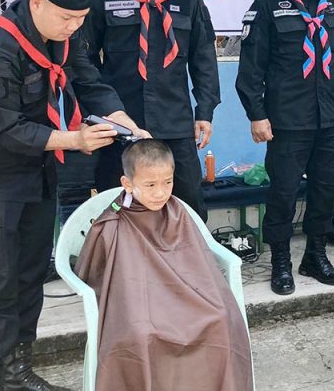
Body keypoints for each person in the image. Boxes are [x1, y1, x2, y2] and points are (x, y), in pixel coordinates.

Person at [0, 0, 149, 391]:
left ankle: (18, 372)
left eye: (81, 19)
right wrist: (75, 140)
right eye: (66, 18)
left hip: (38, 174)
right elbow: (6, 130)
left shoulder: (63, 36)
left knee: (29, 277)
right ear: (36, 2)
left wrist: (123, 120)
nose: (74, 27)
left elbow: (88, 81)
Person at [236, 0, 334, 296]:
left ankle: (315, 255)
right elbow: (251, 69)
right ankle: (281, 261)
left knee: (326, 189)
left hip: (329, 119)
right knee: (283, 191)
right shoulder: (267, 6)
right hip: (286, 122)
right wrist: (256, 114)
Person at [74, 140, 254, 391]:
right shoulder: (113, 223)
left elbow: (196, 266)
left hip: (185, 298)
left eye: (167, 182)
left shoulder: (177, 211)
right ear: (127, 183)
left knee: (221, 319)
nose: (160, 193)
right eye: (150, 185)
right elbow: (95, 275)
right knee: (141, 335)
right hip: (136, 304)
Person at [88, 0, 220, 220]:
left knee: (188, 206)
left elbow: (203, 57)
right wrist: (97, 112)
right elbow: (85, 59)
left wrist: (204, 111)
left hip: (175, 121)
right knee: (118, 206)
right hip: (121, 122)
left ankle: (187, 254)